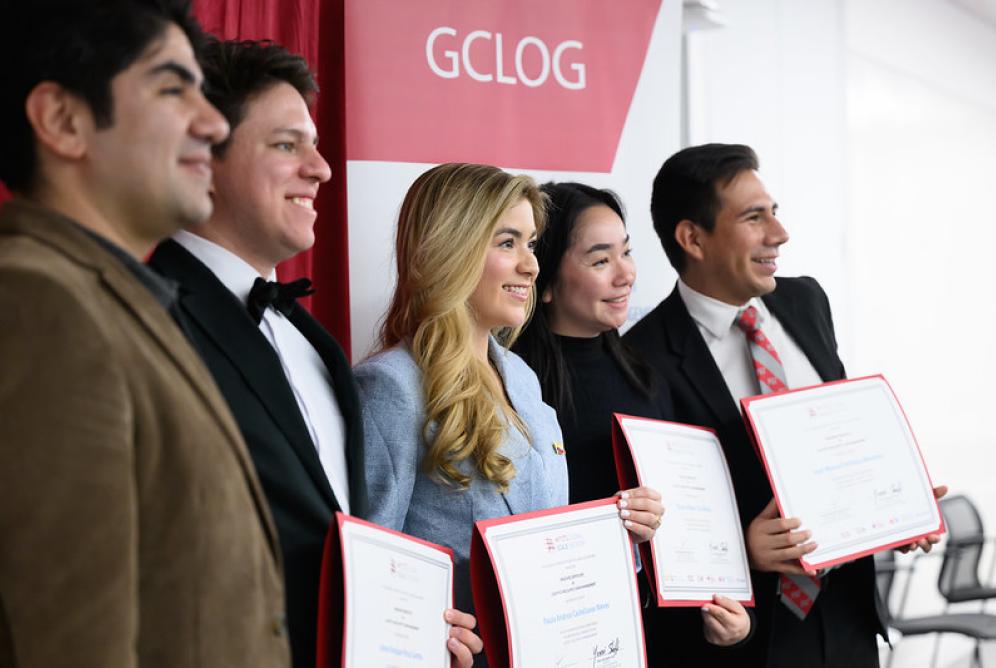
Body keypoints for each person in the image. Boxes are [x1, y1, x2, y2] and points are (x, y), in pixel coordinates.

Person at [146, 39, 480, 667]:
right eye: (286, 144)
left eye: (316, 144)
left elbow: (341, 539)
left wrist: (411, 631)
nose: (322, 168)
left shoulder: (313, 340)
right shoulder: (146, 320)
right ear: (202, 156)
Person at [0, 2, 291, 666]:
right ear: (63, 120)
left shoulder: (107, 298)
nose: (213, 123)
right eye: (171, 88)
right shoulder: (40, 304)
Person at [624, 143, 944, 666]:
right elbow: (655, 522)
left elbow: (836, 438)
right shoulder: (643, 356)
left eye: (775, 212)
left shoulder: (805, 301)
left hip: (848, 618)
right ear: (692, 238)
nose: (780, 234)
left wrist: (896, 506)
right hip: (751, 638)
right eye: (755, 217)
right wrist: (742, 552)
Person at [356, 163, 663, 664]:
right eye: (507, 243)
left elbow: (541, 538)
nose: (531, 265)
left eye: (532, 243)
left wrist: (621, 532)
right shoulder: (391, 385)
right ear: (449, 249)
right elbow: (373, 574)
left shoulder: (520, 375)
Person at [514, 181, 752, 665]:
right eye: (600, 260)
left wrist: (729, 607)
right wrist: (611, 517)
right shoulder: (516, 387)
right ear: (546, 280)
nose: (626, 274)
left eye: (626, 252)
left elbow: (687, 519)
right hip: (579, 637)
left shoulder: (648, 372)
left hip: (669, 634)